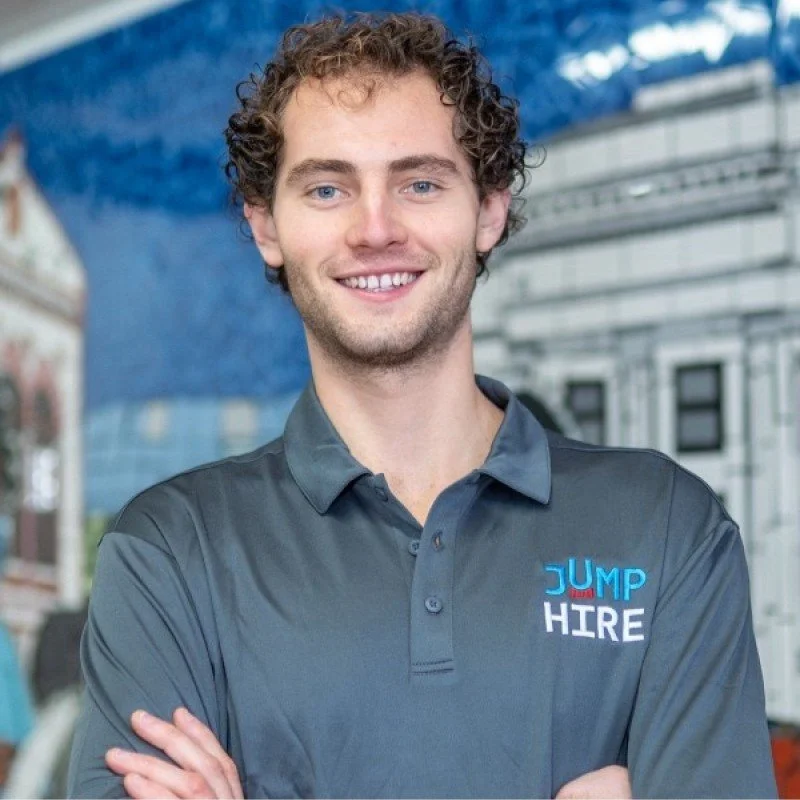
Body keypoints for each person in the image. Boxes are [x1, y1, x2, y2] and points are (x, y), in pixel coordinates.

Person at [68, 12, 777, 799]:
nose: (376, 230)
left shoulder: (670, 528)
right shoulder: (168, 554)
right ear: (267, 225)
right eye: (329, 187)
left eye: (421, 183)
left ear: (489, 212)